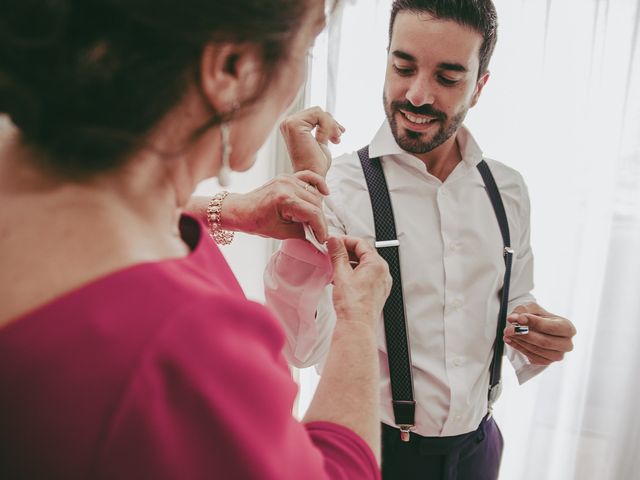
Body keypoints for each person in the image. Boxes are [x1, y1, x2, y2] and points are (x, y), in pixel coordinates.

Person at [0, 1, 393, 479]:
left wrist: (225, 210)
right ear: (232, 68)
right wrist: (357, 320)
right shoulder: (182, 345)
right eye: (307, 47)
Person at [263, 1, 577, 479]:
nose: (417, 95)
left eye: (448, 78)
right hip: (381, 454)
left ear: (480, 86)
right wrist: (307, 203)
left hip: (480, 449)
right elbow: (299, 349)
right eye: (402, 66)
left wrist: (534, 335)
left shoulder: (507, 189)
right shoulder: (339, 187)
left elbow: (515, 299)